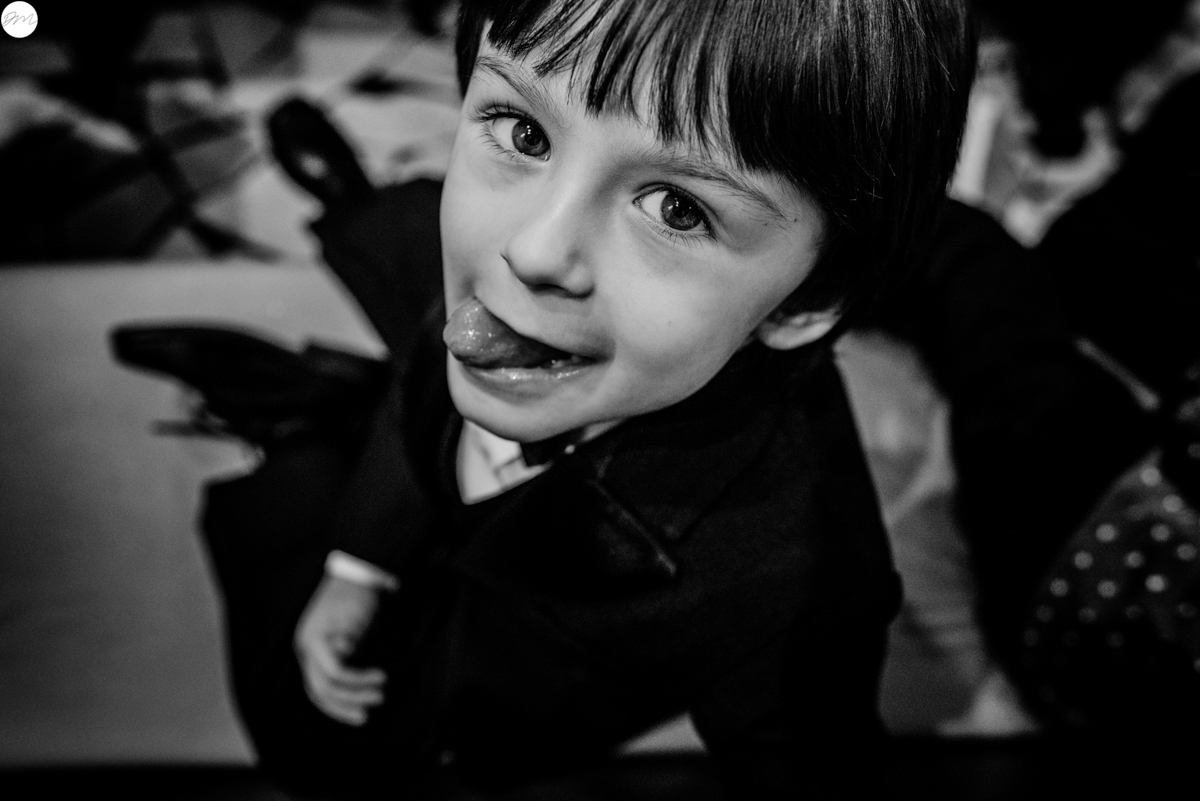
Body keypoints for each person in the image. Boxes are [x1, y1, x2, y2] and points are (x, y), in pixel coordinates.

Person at [201, 0, 977, 797]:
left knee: (318, 749)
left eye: (678, 208)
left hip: (525, 672)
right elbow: (424, 387)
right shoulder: (509, 274)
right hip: (460, 475)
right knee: (406, 259)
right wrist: (361, 564)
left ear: (803, 301)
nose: (532, 250)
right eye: (524, 132)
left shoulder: (792, 583)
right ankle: (352, 200)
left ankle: (306, 413)